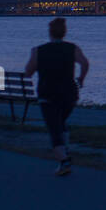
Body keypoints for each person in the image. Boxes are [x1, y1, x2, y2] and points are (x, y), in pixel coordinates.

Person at [24, 17, 88, 176]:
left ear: (49, 32)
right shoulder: (73, 48)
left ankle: (64, 161)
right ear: (64, 33)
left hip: (48, 94)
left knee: (54, 129)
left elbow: (28, 72)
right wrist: (81, 78)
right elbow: (85, 63)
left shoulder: (38, 51)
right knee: (60, 122)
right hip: (69, 94)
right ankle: (65, 151)